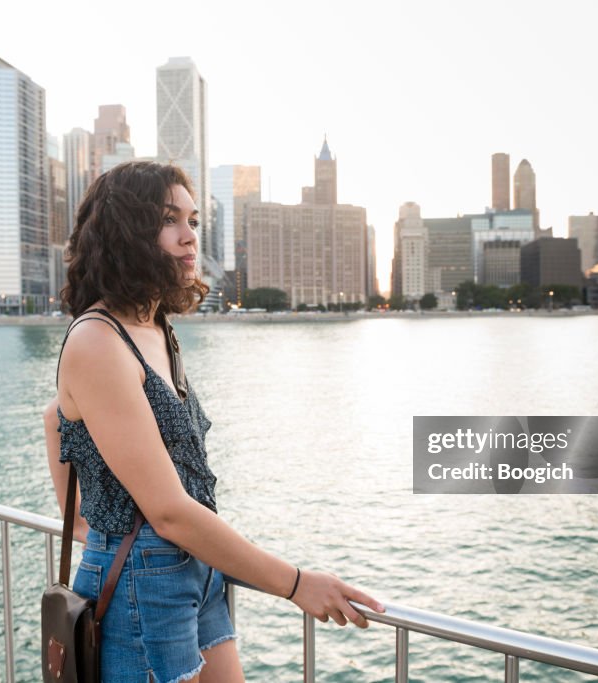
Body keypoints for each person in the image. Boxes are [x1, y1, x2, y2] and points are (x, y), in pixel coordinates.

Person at [43, 161, 384, 683]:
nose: (189, 237)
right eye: (169, 220)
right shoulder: (98, 339)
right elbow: (169, 511)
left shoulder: (154, 328)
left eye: (194, 221)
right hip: (143, 581)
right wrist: (296, 584)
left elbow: (58, 418)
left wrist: (99, 522)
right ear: (126, 232)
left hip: (195, 572)